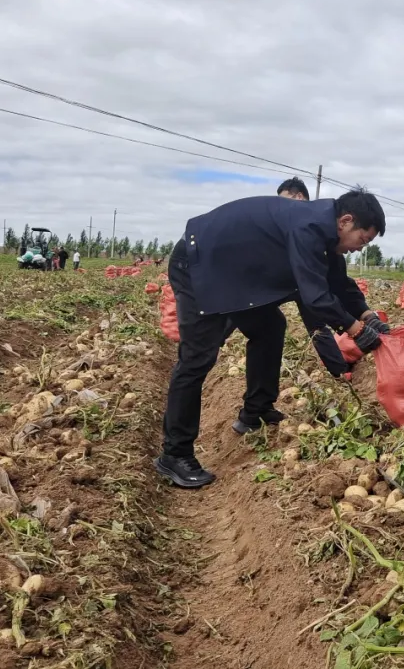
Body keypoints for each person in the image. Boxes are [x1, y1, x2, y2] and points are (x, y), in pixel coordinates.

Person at [156, 188, 390, 488]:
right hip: (200, 264)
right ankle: (174, 454)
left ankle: (255, 411)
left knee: (270, 328)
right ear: (345, 221)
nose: (360, 248)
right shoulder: (309, 227)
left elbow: (339, 282)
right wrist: (355, 331)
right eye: (363, 240)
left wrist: (368, 316)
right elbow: (315, 296)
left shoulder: (324, 231)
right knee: (197, 358)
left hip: (236, 274)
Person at [276, 177, 357, 379]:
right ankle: (339, 369)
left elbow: (336, 271)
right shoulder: (296, 222)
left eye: (284, 199)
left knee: (317, 325)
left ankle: (340, 371)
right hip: (287, 280)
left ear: (299, 196)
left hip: (304, 282)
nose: (280, 205)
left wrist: (357, 320)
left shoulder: (313, 224)